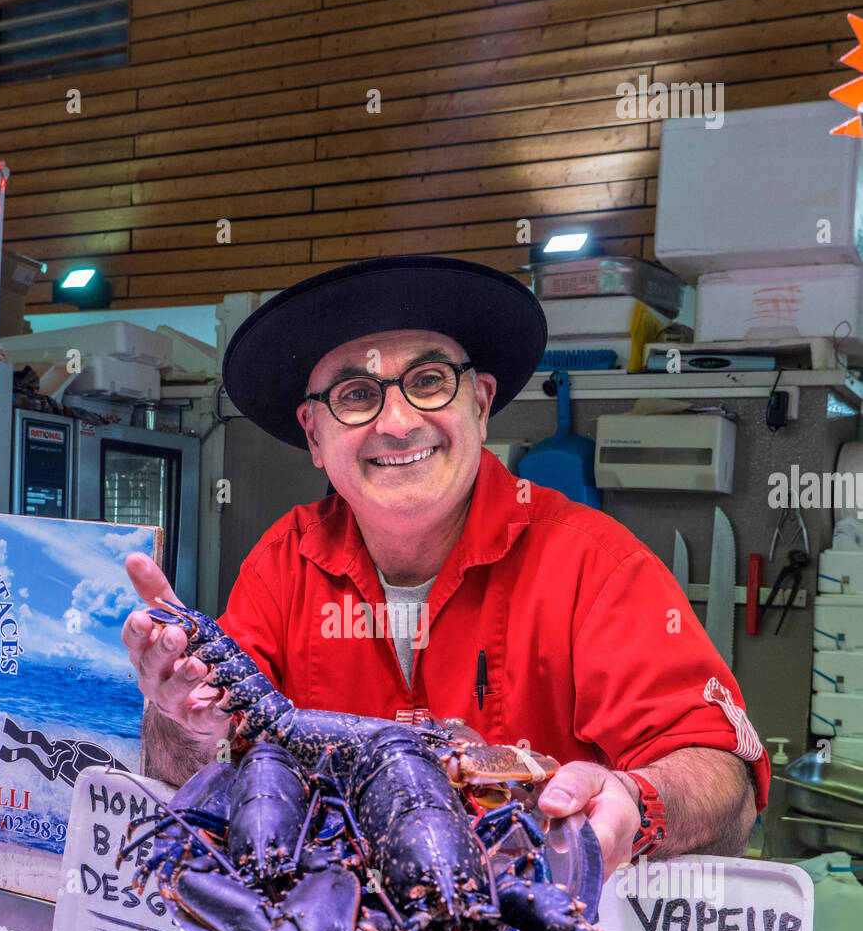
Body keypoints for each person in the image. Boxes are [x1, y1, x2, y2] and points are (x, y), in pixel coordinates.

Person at [122, 255, 769, 877]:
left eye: (429, 381)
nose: (398, 422)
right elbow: (189, 767)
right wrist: (178, 714)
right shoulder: (282, 562)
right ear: (314, 435)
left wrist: (636, 801)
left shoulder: (593, 564)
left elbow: (722, 780)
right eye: (355, 394)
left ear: (480, 404)